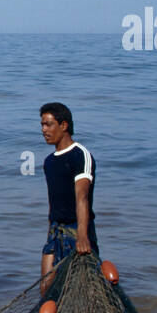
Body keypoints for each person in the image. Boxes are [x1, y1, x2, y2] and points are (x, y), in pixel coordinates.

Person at [39, 101, 97, 291]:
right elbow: (53, 201)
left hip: (77, 229)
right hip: (56, 230)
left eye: (48, 124)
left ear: (64, 125)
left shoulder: (80, 155)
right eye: (42, 125)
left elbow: (82, 198)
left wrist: (82, 236)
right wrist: (50, 229)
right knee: (46, 287)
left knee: (83, 288)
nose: (43, 129)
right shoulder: (49, 162)